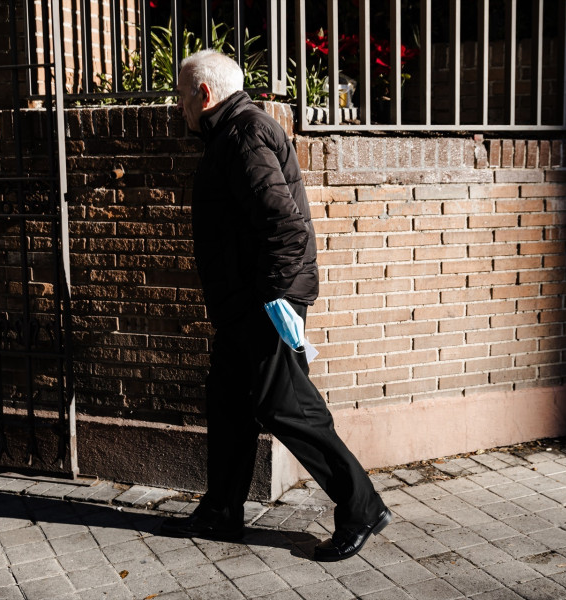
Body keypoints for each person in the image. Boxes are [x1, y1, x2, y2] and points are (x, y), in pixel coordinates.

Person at [159, 49, 390, 562]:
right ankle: (222, 509)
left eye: (180, 96)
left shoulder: (243, 134)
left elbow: (285, 227)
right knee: (227, 402)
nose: (178, 107)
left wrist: (277, 302)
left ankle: (361, 505)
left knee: (286, 406)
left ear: (204, 94)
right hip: (244, 305)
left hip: (262, 305)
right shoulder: (230, 133)